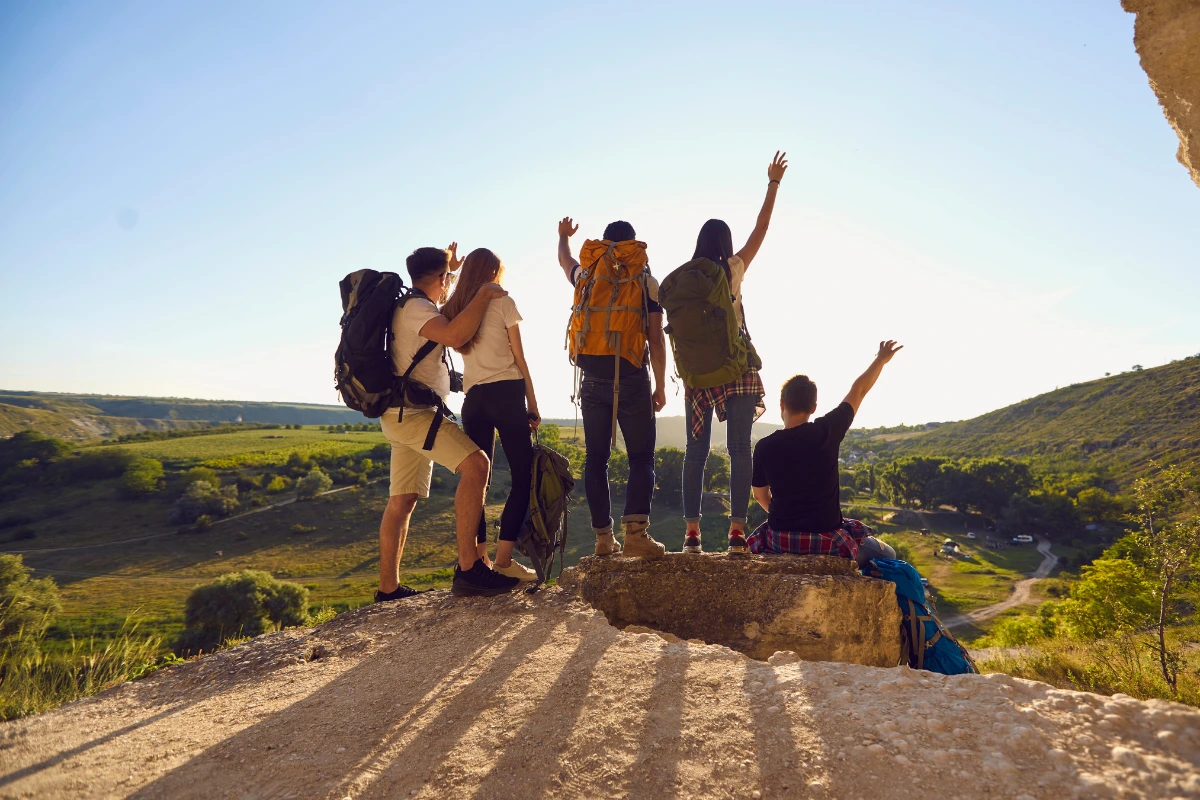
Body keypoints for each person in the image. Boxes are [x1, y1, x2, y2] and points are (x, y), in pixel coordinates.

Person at [376, 245, 521, 601]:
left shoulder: (408, 306)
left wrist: (452, 269)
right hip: (414, 415)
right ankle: (470, 570)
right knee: (477, 465)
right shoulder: (417, 309)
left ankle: (388, 589)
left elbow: (447, 313)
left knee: (402, 500)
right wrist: (485, 291)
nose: (448, 285)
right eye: (446, 279)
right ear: (438, 279)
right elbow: (456, 335)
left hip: (398, 414)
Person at [681, 151, 788, 555]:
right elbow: (761, 229)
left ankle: (692, 535)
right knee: (739, 448)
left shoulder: (685, 279)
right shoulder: (733, 269)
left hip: (696, 373)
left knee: (696, 452)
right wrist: (773, 183)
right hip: (737, 369)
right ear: (725, 244)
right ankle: (737, 534)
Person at [556, 217, 668, 558]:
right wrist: (660, 385)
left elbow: (565, 261)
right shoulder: (645, 279)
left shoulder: (588, 275)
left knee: (596, 458)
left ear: (604, 244)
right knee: (641, 457)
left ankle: (604, 540)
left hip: (591, 378)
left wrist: (563, 236)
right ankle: (636, 535)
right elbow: (655, 336)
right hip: (632, 376)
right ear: (632, 245)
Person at [747, 341, 904, 565]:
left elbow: (760, 496)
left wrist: (789, 517)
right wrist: (880, 359)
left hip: (779, 540)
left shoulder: (764, 446)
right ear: (813, 407)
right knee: (888, 555)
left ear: (781, 404)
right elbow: (858, 391)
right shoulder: (827, 431)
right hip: (828, 541)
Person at [441, 247, 541, 582]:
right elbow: (520, 359)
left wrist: (452, 271)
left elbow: (442, 300)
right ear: (493, 274)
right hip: (507, 393)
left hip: (473, 399)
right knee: (523, 476)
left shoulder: (457, 310)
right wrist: (533, 403)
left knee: (476, 481)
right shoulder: (503, 303)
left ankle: (480, 560)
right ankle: (504, 560)